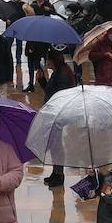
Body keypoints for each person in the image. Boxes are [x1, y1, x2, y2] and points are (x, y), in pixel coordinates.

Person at [39, 45, 77, 187]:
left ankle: (59, 174)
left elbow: (59, 96)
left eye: (48, 60)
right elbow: (50, 91)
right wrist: (42, 81)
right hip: (54, 114)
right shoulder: (57, 72)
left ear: (54, 61)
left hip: (58, 115)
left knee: (57, 145)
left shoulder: (62, 74)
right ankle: (56, 172)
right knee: (55, 145)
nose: (47, 63)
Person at [5, 0, 27, 71]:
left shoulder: (22, 4)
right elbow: (3, 14)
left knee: (19, 44)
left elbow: (26, 14)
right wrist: (6, 19)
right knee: (8, 43)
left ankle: (18, 58)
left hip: (19, 27)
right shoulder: (8, 4)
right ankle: (7, 57)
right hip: (11, 27)